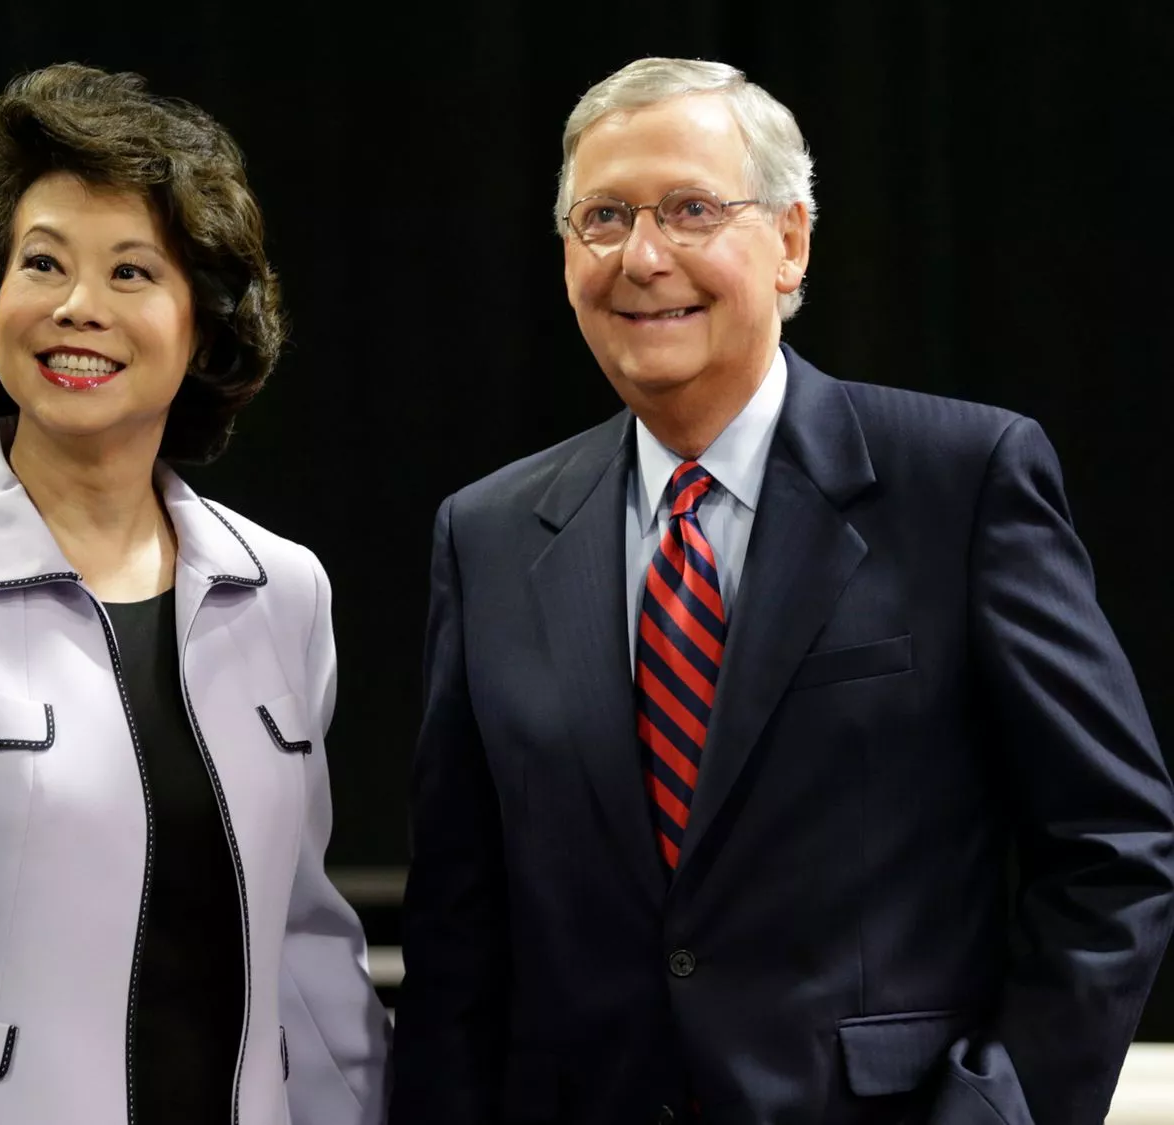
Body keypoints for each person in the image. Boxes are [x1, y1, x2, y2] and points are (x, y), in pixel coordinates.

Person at [390, 56, 1174, 1125]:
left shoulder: (960, 480)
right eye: (603, 217)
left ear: (791, 241)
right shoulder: (484, 533)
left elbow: (1112, 854)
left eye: (690, 209)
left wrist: (1000, 1111)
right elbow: (456, 925)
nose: (643, 255)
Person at [0, 63, 388, 1125]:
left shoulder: (283, 592)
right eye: (42, 263)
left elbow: (307, 957)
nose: (78, 308)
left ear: (203, 324)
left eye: (133, 272)